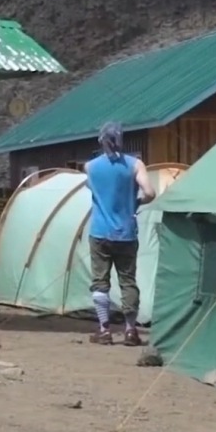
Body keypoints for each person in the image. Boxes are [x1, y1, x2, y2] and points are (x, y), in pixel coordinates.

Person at [84, 121, 156, 346]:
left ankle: (104, 330)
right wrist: (134, 204)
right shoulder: (135, 165)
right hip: (126, 233)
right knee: (128, 281)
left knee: (100, 282)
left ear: (102, 141)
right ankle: (130, 330)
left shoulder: (90, 167)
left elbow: (89, 187)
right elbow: (150, 192)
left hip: (99, 232)